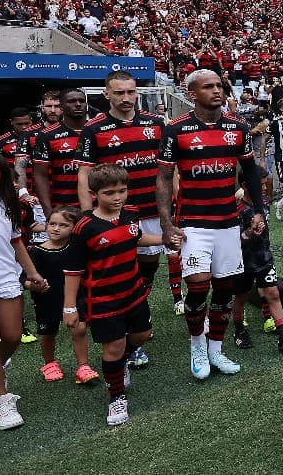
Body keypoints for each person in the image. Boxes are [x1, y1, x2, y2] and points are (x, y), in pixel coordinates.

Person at [156, 69, 266, 380]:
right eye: (208, 86)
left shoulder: (237, 127)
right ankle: (197, 346)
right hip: (193, 222)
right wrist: (166, 224)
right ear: (192, 94)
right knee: (198, 285)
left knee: (224, 289)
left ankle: (216, 349)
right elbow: (163, 178)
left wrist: (259, 210)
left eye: (219, 85)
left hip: (228, 222)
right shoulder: (176, 129)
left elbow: (251, 172)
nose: (217, 91)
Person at [75, 71, 172, 373]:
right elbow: (84, 174)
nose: (126, 98)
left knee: (148, 266)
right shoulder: (93, 128)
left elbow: (169, 169)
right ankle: (122, 331)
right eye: (119, 93)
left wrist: (172, 205)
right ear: (107, 94)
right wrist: (89, 215)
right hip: (115, 214)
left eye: (131, 92)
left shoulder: (156, 123)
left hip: (153, 211)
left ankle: (136, 314)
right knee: (120, 270)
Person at [63, 164, 171, 426]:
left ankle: (119, 365)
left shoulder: (131, 214)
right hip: (103, 299)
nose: (117, 197)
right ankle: (116, 397)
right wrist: (69, 307)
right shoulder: (84, 227)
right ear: (94, 194)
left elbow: (136, 238)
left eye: (122, 191)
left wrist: (164, 239)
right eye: (109, 193)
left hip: (134, 291)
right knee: (114, 347)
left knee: (142, 335)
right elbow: (73, 270)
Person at [0, 151, 48, 430]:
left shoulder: (9, 204)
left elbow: (16, 241)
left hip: (4, 276)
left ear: (1, 176)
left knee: (11, 336)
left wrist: (32, 273)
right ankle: (2, 401)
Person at [232, 167, 283, 351]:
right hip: (244, 262)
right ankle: (239, 330)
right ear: (245, 185)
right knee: (241, 297)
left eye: (265, 184)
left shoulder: (264, 203)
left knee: (273, 293)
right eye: (261, 185)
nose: (265, 188)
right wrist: (249, 233)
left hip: (264, 259)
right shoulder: (238, 210)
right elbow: (233, 240)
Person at [27, 206, 98, 384]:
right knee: (48, 333)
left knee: (79, 329)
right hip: (46, 300)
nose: (56, 228)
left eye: (63, 225)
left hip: (75, 297)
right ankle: (49, 363)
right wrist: (34, 286)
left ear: (75, 228)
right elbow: (24, 279)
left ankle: (83, 366)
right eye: (52, 224)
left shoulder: (77, 248)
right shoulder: (36, 251)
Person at [32, 88, 88, 217]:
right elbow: (40, 175)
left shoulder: (97, 130)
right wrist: (48, 212)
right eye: (72, 101)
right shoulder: (47, 135)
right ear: (62, 107)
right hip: (64, 207)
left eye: (81, 101)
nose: (78, 104)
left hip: (98, 207)